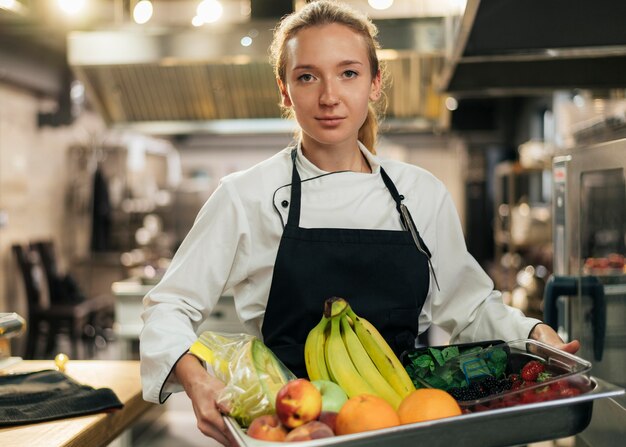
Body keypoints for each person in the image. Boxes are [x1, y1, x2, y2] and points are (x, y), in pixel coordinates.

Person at [140, 1, 579, 444]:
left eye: (348, 73)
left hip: (406, 420)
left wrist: (534, 333)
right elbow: (168, 306)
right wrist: (197, 382)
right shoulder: (245, 196)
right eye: (307, 76)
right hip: (291, 428)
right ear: (285, 90)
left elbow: (471, 305)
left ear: (374, 83)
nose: (329, 96)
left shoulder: (419, 194)